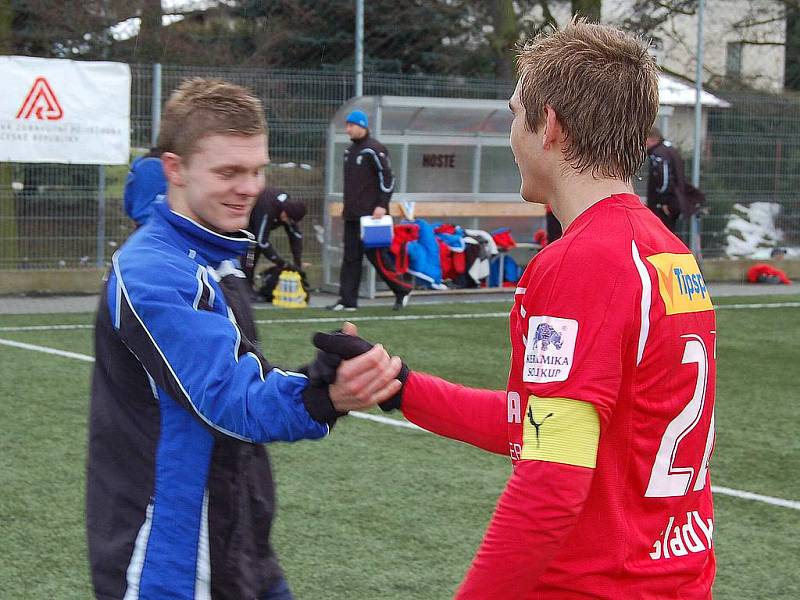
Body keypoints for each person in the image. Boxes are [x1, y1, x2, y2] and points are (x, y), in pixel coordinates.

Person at [316, 21, 717, 598]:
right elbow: (543, 424)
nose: (510, 134)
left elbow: (552, 476)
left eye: (513, 113)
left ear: (548, 125)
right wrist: (401, 387)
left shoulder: (584, 262)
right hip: (674, 579)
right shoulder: (666, 252)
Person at [86, 78, 403, 600]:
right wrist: (325, 393)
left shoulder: (220, 251)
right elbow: (229, 398)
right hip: (173, 556)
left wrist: (321, 382)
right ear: (175, 169)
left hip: (236, 536)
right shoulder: (153, 272)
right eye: (228, 172)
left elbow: (237, 375)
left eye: (256, 169)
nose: (249, 187)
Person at [328, 110, 412, 311]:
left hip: (372, 216)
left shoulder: (374, 149)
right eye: (347, 125)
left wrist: (382, 204)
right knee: (350, 258)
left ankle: (402, 289)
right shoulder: (349, 152)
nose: (348, 129)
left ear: (362, 126)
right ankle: (347, 300)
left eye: (351, 125)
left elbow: (388, 178)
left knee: (378, 258)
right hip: (352, 215)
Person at [243, 187, 306, 287]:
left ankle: (248, 285)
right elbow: (262, 241)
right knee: (251, 253)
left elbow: (295, 235)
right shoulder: (268, 208)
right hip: (248, 221)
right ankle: (246, 286)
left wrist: (297, 264)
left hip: (260, 223)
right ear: (285, 212)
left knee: (255, 250)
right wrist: (280, 262)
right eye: (287, 219)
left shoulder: (290, 209)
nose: (286, 221)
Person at [646, 126, 687, 233]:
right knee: (671, 234)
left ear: (652, 139)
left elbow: (664, 178)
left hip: (664, 205)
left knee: (661, 234)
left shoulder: (658, 154)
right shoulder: (670, 150)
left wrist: (663, 201)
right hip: (675, 200)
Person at [123, 147, 167, 227]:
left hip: (141, 221)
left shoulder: (138, 163)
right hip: (166, 223)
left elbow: (128, 193)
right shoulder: (173, 166)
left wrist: (131, 214)